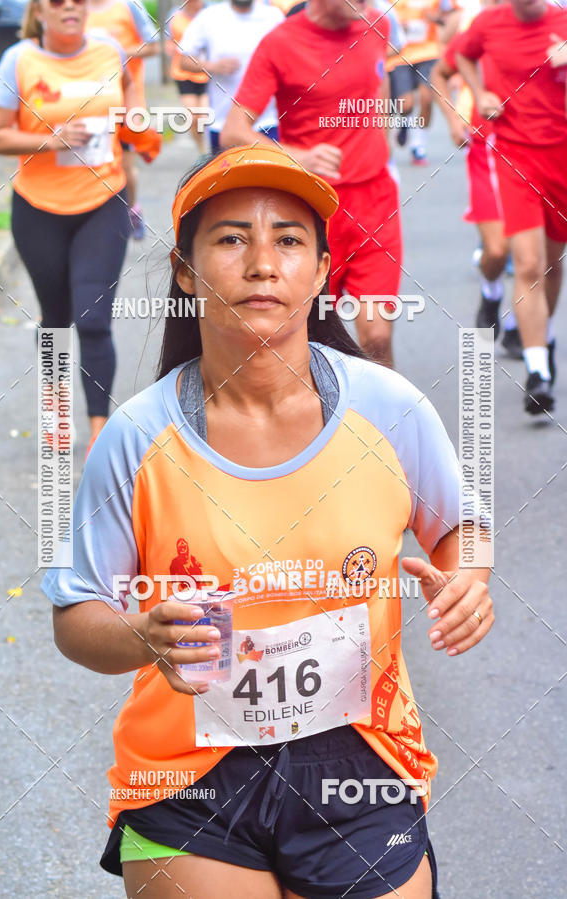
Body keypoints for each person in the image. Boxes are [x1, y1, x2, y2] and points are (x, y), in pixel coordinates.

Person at [43, 144, 494, 899]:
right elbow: (74, 613)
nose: (262, 264)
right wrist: (143, 637)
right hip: (186, 773)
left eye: (288, 240)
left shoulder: (390, 408)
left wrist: (467, 579)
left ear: (321, 272)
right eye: (231, 239)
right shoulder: (136, 437)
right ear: (185, 272)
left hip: (362, 763)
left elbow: (462, 526)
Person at [0, 0, 159, 452]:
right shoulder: (19, 60)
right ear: (40, 11)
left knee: (93, 319)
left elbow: (131, 99)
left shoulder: (110, 50)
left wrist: (139, 126)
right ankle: (58, 417)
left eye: (77, 1)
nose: (69, 8)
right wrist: (51, 140)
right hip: (38, 209)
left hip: (104, 200)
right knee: (57, 320)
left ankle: (100, 431)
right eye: (58, 2)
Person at [221, 0, 402, 368]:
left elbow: (378, 83)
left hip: (375, 200)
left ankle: (381, 408)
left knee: (377, 336)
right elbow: (234, 132)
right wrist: (298, 157)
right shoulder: (279, 43)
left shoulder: (377, 25)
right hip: (314, 209)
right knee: (316, 341)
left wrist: (379, 143)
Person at [457, 0, 567, 415]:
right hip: (515, 157)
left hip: (562, 159)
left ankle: (544, 339)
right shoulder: (488, 23)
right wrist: (479, 92)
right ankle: (537, 372)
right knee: (528, 264)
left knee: (552, 264)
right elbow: (461, 57)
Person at [430, 5, 518, 346]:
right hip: (486, 141)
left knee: (532, 256)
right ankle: (491, 291)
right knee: (498, 250)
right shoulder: (476, 21)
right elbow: (441, 69)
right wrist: (454, 119)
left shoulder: (549, 18)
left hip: (538, 147)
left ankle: (524, 333)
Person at [86, 0, 160, 240]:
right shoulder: (74, 7)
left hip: (126, 102)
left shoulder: (129, 6)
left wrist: (115, 52)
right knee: (91, 162)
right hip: (87, 104)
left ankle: (132, 209)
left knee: (126, 165)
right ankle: (96, 216)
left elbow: (153, 47)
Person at [177, 0, 283, 154]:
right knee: (225, 170)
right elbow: (183, 60)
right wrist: (212, 66)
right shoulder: (208, 17)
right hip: (222, 124)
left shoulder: (274, 16)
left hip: (267, 123)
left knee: (269, 169)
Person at [386, 0, 448, 164]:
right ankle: (405, 123)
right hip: (400, 54)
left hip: (428, 53)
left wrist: (437, 18)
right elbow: (380, 14)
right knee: (405, 105)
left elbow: (450, 17)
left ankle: (418, 146)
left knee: (426, 98)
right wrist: (399, 25)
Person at [167, 0, 209, 154]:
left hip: (206, 72)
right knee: (193, 118)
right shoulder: (174, 16)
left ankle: (211, 149)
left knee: (204, 116)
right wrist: (170, 47)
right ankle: (203, 151)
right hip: (183, 72)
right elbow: (169, 41)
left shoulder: (209, 13)